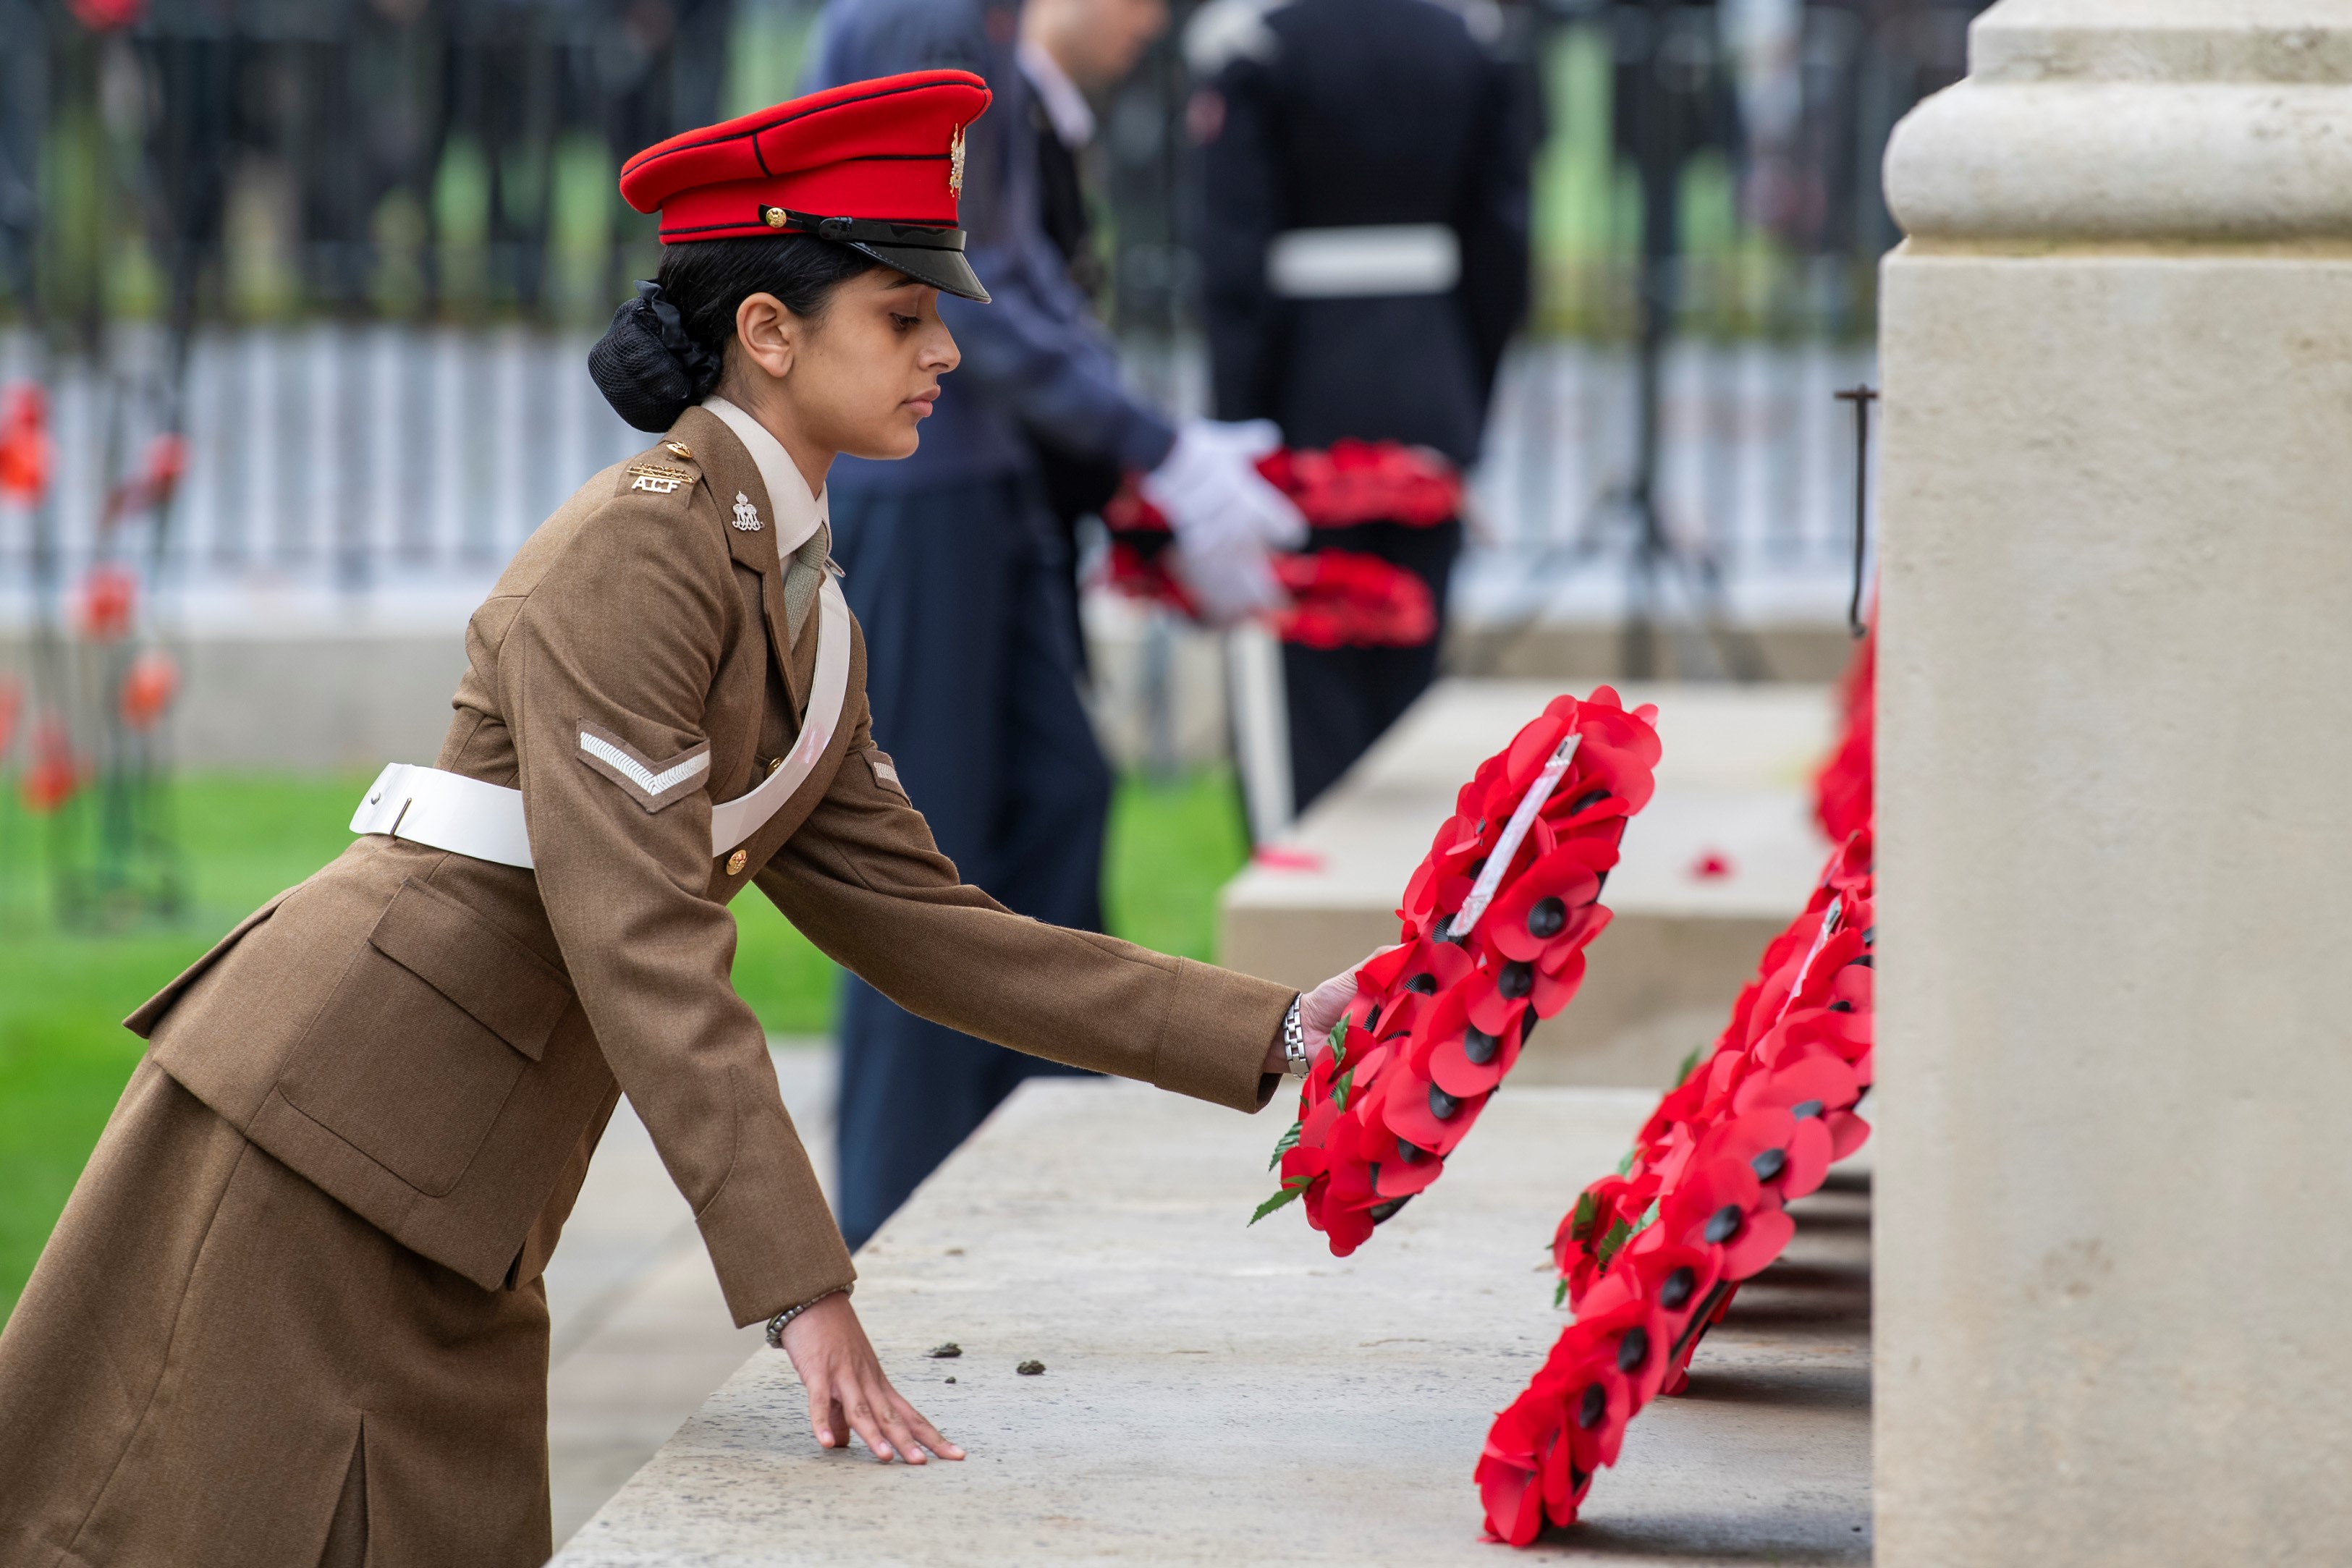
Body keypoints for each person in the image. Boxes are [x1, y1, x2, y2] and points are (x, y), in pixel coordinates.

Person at [0, 71, 1364, 1568]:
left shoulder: (797, 596)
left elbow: (936, 934)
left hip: (453, 1174)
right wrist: (800, 1288)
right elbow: (644, 933)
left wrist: (1288, 1031)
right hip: (319, 1133)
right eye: (900, 318)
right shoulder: (634, 552)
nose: (946, 350)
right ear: (766, 334)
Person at [807, 0, 1306, 1252]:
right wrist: (1156, 446)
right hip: (917, 487)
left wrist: (1152, 449)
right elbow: (948, 278)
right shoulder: (928, 20)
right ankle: (895, 1226)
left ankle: (1021, 1175)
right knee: (923, 873)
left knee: (1055, 798)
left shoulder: (969, 26)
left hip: (974, 478)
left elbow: (1008, 267)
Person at [1190, 0, 1536, 813]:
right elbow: (1502, 248)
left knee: (1303, 699)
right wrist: (1462, 405)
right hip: (1431, 381)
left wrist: (1237, 425)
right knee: (1406, 688)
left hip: (1301, 398)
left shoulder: (1258, 43)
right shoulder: (1469, 43)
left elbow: (1233, 265)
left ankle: (1307, 916)